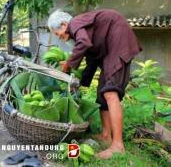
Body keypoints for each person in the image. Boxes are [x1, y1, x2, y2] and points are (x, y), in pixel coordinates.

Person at [47, 9, 142, 159]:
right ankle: (106, 135)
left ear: (64, 24)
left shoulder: (75, 23)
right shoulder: (84, 30)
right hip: (109, 49)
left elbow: (83, 43)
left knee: (110, 92)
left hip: (118, 43)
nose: (59, 38)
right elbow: (91, 60)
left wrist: (69, 64)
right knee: (102, 92)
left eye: (57, 33)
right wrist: (80, 82)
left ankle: (118, 145)